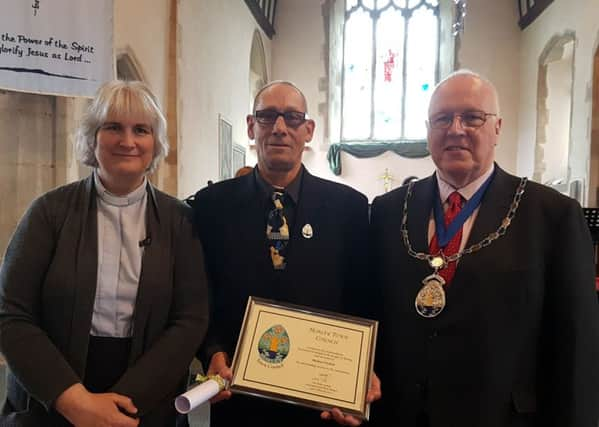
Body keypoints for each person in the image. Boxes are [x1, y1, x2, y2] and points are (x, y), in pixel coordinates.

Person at [369, 69, 599, 426]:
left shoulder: (550, 215)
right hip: (399, 413)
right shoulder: (387, 211)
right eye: (442, 118)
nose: (456, 129)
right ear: (428, 130)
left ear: (497, 128)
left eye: (472, 117)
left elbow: (575, 347)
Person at [0, 80, 209, 427]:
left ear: (154, 143)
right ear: (92, 137)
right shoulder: (48, 212)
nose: (127, 141)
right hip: (53, 396)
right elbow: (11, 312)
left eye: (140, 130)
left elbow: (190, 319)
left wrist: (123, 405)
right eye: (113, 127)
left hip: (146, 399)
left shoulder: (180, 221)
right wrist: (74, 401)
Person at [191, 80, 380, 427]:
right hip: (239, 399)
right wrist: (211, 351)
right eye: (267, 117)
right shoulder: (211, 206)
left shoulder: (348, 208)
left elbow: (362, 297)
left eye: (292, 118)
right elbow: (199, 293)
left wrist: (363, 369)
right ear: (251, 126)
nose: (279, 128)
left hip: (321, 403)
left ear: (308, 130)